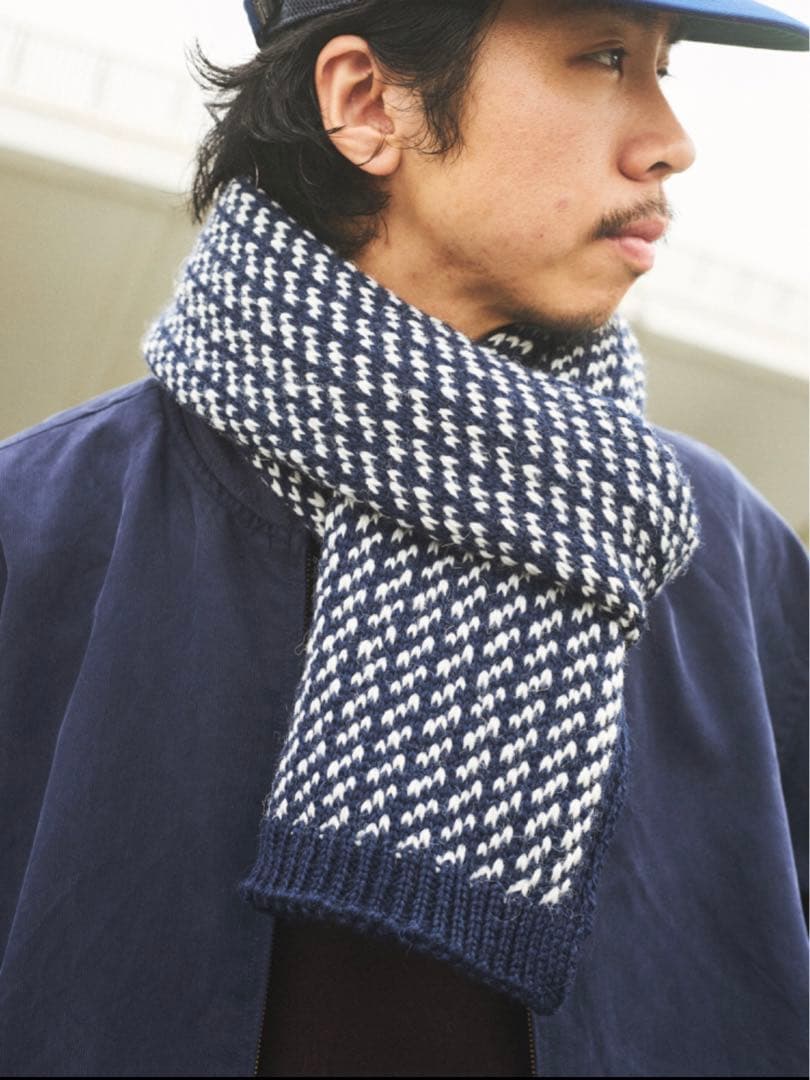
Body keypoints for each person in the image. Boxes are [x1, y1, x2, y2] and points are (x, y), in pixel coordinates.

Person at [0, 0, 807, 1075]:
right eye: (606, 58)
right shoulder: (36, 530)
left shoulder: (735, 560)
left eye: (664, 70)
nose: (671, 141)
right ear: (369, 103)